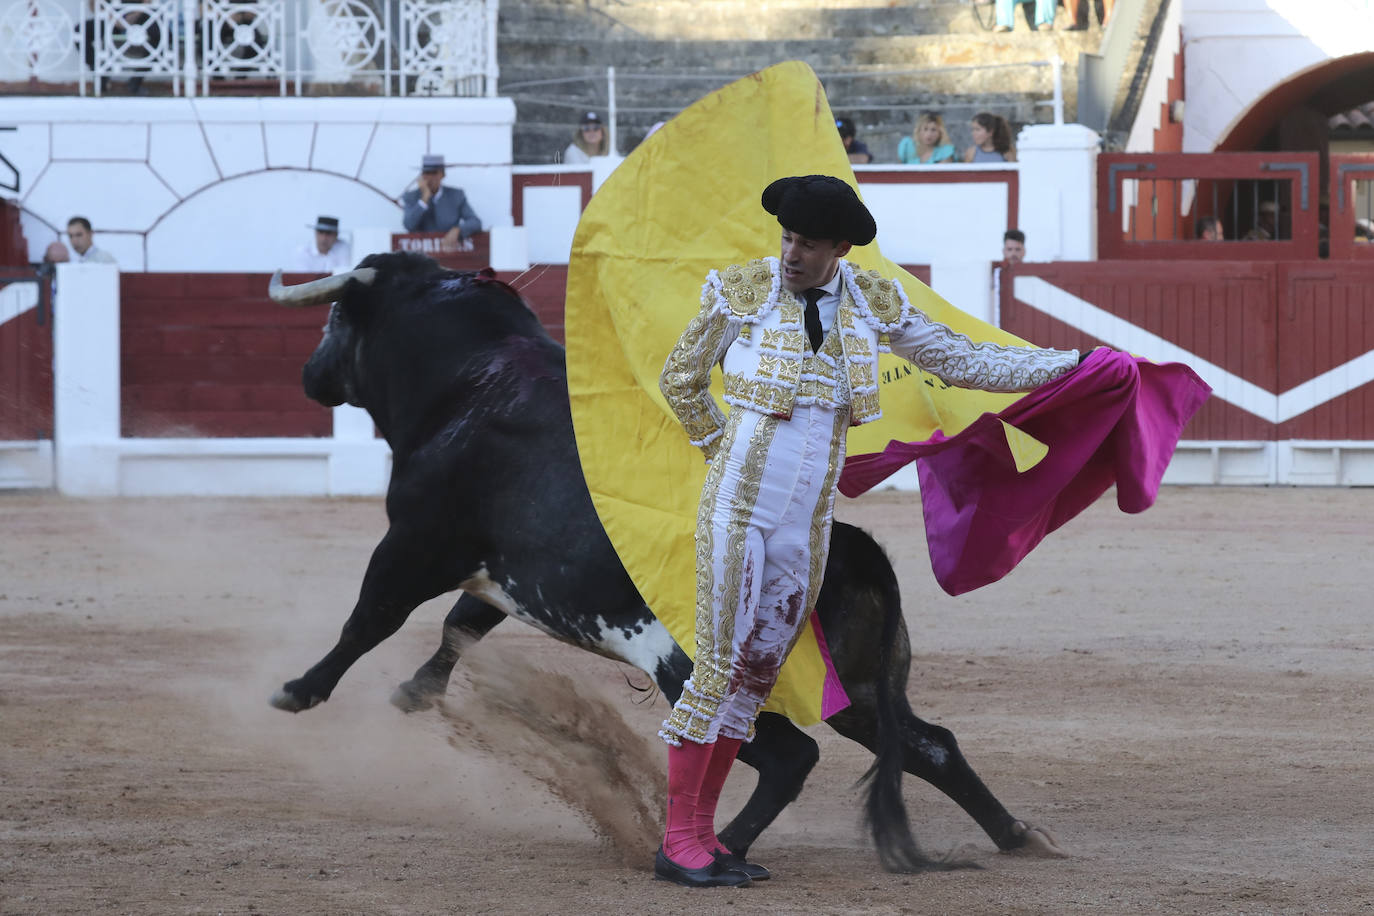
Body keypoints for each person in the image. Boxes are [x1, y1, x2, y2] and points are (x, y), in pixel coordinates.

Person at [655, 175, 1080, 888]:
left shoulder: (871, 301)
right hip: (738, 508)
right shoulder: (740, 290)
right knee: (718, 664)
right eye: (786, 237)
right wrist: (720, 450)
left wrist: (1067, 365)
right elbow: (680, 379)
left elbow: (961, 358)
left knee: (754, 676)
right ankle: (679, 841)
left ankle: (705, 835)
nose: (792, 253)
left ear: (840, 248)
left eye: (809, 244)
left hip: (806, 522)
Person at [400, 154, 482, 249]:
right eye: (426, 173)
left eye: (434, 173)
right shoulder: (411, 197)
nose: (429, 177)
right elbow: (409, 225)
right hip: (422, 256)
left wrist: (458, 230)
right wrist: (424, 199)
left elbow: (475, 222)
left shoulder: (456, 195)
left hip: (449, 253)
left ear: (442, 174)